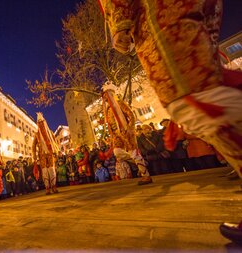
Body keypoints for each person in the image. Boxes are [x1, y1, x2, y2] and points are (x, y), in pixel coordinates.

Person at [101, 0, 242, 244]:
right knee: (202, 91)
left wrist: (120, 20)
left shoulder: (120, 105)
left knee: (194, 97)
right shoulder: (108, 108)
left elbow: (130, 117)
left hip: (161, 14)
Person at [32, 112, 60, 195]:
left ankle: (54, 186)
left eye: (42, 122)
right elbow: (33, 145)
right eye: (39, 122)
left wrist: (56, 152)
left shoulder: (50, 133)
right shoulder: (37, 134)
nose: (41, 124)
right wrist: (34, 156)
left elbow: (54, 143)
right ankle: (47, 188)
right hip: (42, 156)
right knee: (44, 172)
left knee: (52, 170)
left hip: (50, 154)